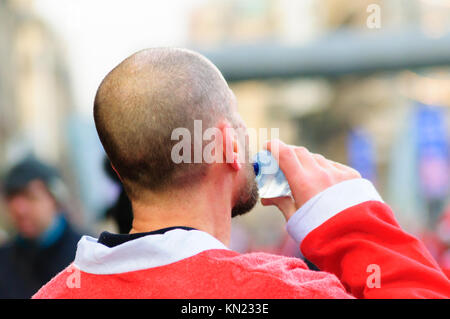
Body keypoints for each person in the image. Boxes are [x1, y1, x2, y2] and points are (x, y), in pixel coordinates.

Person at [34, 48, 450, 299]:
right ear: (226, 146)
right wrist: (350, 217)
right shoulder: (282, 292)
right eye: (238, 122)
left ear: (119, 167)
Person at [0, 156, 82, 298]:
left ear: (54, 199)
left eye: (31, 197)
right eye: (12, 199)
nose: (20, 210)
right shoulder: (5, 261)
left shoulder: (85, 254)